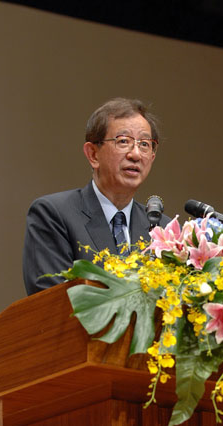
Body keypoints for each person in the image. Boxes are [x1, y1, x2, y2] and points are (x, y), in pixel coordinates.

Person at [23, 97, 170, 295]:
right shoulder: (54, 214)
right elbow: (51, 302)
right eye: (123, 141)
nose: (136, 154)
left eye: (145, 144)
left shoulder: (163, 231)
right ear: (93, 154)